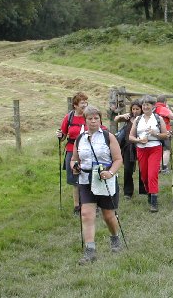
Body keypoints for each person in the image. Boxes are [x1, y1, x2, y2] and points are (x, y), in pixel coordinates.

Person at [70, 105, 123, 265]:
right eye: (90, 118)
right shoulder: (80, 139)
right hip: (86, 180)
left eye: (96, 118)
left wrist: (110, 173)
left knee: (108, 215)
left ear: (100, 119)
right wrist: (74, 166)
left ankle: (115, 238)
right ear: (85, 121)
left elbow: (118, 159)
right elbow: (74, 159)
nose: (93, 121)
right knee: (86, 214)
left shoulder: (108, 137)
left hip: (105, 180)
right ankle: (90, 251)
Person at [128, 95, 169, 212]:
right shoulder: (138, 119)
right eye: (144, 104)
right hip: (141, 148)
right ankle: (150, 194)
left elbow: (165, 135)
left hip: (155, 148)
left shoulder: (158, 118)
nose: (145, 107)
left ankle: (154, 202)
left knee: (152, 174)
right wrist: (138, 140)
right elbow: (131, 136)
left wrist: (155, 134)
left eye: (148, 104)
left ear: (153, 106)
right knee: (144, 176)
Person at [56, 92, 88, 216]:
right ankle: (77, 206)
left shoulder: (89, 115)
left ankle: (88, 204)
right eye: (82, 103)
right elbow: (63, 136)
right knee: (75, 179)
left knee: (88, 177)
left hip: (87, 150)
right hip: (71, 150)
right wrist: (60, 136)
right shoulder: (69, 117)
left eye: (86, 102)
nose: (85, 105)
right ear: (75, 105)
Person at [114, 100, 143, 199]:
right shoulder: (128, 117)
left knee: (142, 169)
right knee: (127, 170)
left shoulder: (144, 118)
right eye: (133, 109)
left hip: (141, 145)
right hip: (128, 146)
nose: (135, 111)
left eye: (137, 109)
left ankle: (143, 190)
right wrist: (122, 116)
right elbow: (116, 119)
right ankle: (128, 192)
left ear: (141, 109)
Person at [154, 95, 173, 173]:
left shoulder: (154, 108)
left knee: (158, 149)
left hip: (155, 132)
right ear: (165, 101)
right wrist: (168, 108)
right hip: (165, 131)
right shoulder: (163, 108)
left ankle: (157, 167)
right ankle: (164, 167)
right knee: (166, 149)